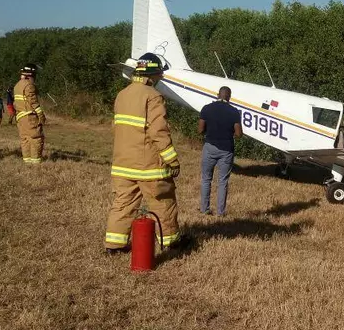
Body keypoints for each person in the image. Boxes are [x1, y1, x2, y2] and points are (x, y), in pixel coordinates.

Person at [104, 53, 182, 254]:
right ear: (152, 75)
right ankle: (170, 242)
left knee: (123, 203)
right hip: (148, 166)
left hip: (122, 163)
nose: (159, 79)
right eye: (158, 75)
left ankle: (115, 245)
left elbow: (117, 128)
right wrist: (172, 160)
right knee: (163, 202)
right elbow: (159, 132)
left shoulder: (123, 94)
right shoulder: (152, 95)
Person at [198, 86, 242, 216]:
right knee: (223, 181)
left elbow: (200, 130)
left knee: (206, 179)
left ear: (217, 95)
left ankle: (204, 209)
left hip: (210, 146)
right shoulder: (234, 112)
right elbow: (239, 134)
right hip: (226, 149)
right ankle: (220, 212)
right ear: (229, 97)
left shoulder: (207, 108)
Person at [13, 64, 45, 164]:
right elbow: (33, 102)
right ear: (32, 74)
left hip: (20, 117)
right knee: (36, 138)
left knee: (25, 139)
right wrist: (41, 115)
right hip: (30, 116)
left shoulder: (17, 85)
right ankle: (35, 162)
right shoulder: (29, 85)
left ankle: (27, 160)